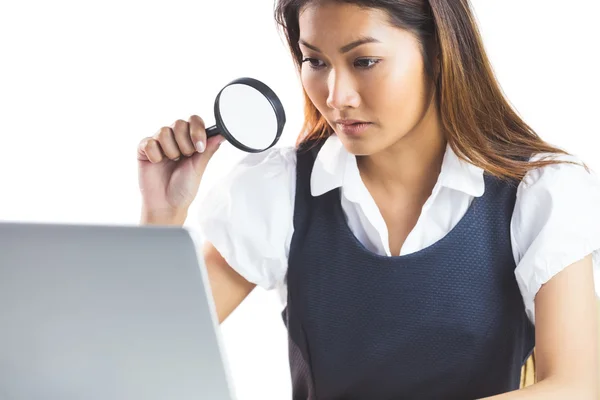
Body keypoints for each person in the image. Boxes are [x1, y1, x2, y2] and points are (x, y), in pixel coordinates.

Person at [136, 0, 600, 398]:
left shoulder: (538, 191)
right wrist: (163, 214)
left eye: (363, 61)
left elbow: (577, 385)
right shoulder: (279, 189)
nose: (335, 96)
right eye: (315, 61)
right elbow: (148, 357)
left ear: (439, 53)